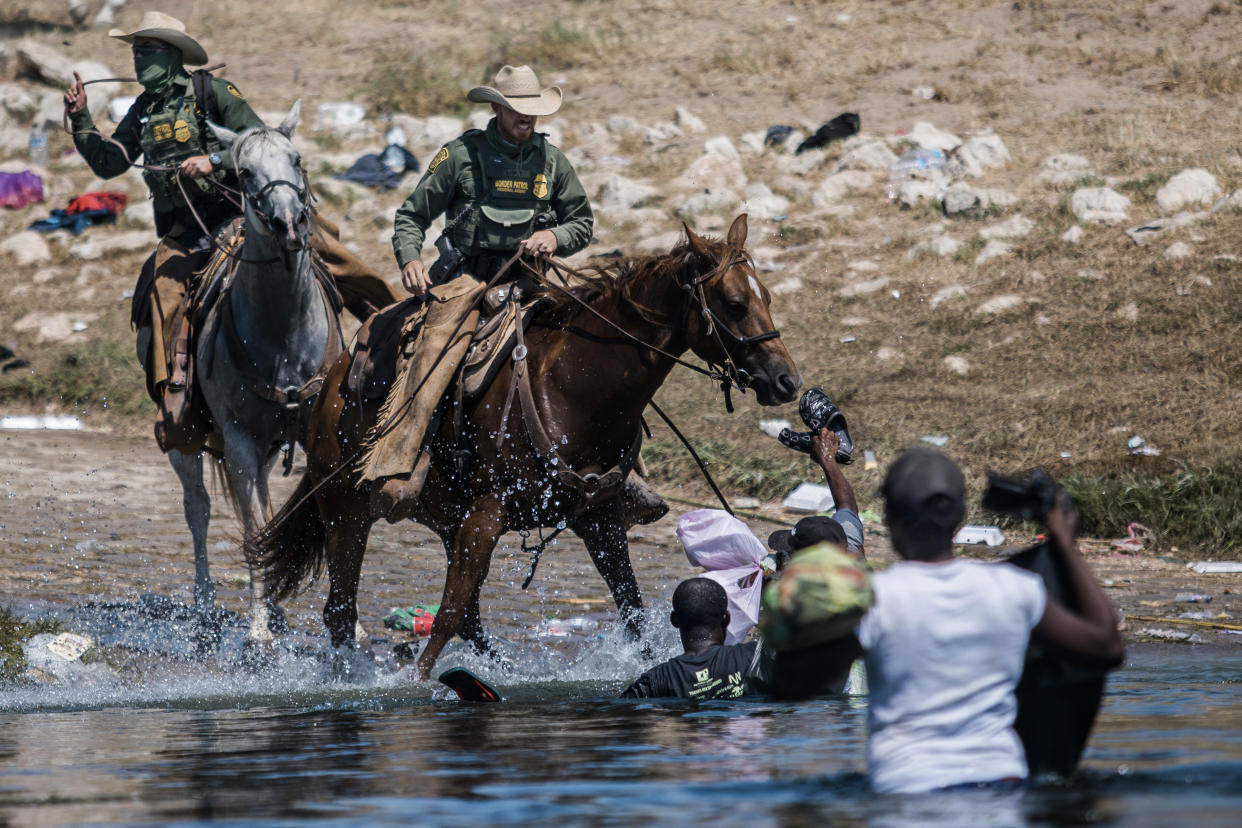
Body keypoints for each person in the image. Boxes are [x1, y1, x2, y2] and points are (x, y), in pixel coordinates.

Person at [63, 11, 392, 451]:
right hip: (187, 229)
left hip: (244, 215)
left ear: (172, 54)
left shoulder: (211, 91)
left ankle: (389, 332)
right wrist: (82, 120)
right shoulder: (142, 110)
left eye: (148, 50)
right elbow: (110, 162)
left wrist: (215, 161)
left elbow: (261, 140)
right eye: (136, 51)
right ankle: (175, 388)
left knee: (333, 253)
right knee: (162, 291)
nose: (139, 59)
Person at [364, 64, 664, 527]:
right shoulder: (460, 156)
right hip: (468, 279)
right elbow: (411, 216)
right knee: (433, 350)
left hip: (532, 281)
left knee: (597, 349)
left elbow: (581, 223)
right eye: (518, 111)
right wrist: (410, 259)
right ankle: (404, 460)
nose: (528, 120)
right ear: (496, 108)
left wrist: (555, 237)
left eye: (533, 112)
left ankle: (622, 477)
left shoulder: (552, 161)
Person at [772, 447, 1125, 793]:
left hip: (908, 788)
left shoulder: (874, 598)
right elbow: (1107, 648)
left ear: (891, 521)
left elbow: (795, 685)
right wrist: (1066, 544)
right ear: (960, 519)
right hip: (1002, 785)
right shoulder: (1015, 590)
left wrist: (792, 615)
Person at [620, 578, 773, 700]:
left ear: (674, 620)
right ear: (726, 619)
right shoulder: (756, 655)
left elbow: (622, 710)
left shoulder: (655, 681)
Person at [768, 429, 864, 562]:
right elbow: (847, 505)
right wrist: (827, 460)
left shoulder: (797, 581)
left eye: (791, 553)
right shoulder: (853, 557)